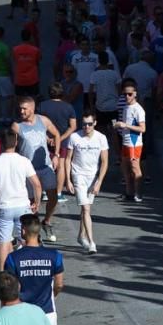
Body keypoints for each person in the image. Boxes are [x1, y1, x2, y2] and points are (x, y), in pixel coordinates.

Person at [5, 215, 64, 325]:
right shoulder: (54, 256)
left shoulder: (13, 258)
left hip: (22, 312)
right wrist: (53, 294)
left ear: (23, 231)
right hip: (47, 312)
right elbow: (59, 284)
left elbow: (10, 288)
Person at [0, 130, 42, 273]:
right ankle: (30, 271)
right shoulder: (24, 161)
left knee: (4, 242)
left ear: (2, 143)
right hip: (22, 205)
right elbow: (37, 185)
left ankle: (3, 275)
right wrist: (37, 203)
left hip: (4, 206)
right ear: (16, 142)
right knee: (27, 240)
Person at [12, 96, 62, 240]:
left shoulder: (43, 120)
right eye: (20, 108)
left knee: (53, 197)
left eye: (24, 108)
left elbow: (57, 134)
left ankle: (46, 221)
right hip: (28, 170)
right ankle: (35, 230)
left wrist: (56, 155)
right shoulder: (17, 126)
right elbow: (11, 146)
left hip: (45, 166)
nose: (21, 111)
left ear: (32, 109)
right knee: (32, 202)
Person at [65, 110, 108, 254]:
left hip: (93, 177)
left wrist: (99, 182)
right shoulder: (74, 137)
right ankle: (91, 243)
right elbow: (67, 159)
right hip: (78, 176)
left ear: (95, 123)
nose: (87, 127)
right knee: (86, 209)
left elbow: (104, 161)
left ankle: (80, 236)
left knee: (85, 209)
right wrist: (68, 180)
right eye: (84, 124)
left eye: (90, 124)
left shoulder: (101, 138)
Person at [36, 83, 77, 204]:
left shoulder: (42, 106)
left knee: (44, 165)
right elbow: (73, 126)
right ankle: (58, 193)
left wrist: (48, 138)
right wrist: (60, 138)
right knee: (61, 166)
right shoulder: (68, 107)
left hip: (45, 140)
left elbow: (37, 123)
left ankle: (44, 192)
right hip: (63, 141)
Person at [114, 79, 146, 202]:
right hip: (125, 141)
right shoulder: (127, 107)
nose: (127, 96)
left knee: (135, 168)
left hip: (134, 143)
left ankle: (138, 194)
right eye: (125, 94)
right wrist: (119, 126)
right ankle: (129, 193)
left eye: (130, 94)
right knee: (125, 168)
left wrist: (125, 126)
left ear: (135, 94)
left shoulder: (138, 109)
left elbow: (143, 128)